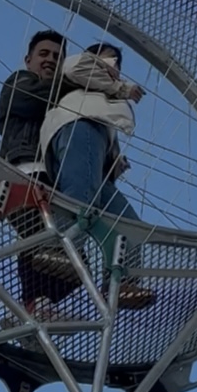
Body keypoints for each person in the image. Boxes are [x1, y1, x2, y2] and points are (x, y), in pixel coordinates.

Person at [40, 42, 152, 307]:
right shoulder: (82, 69)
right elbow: (78, 67)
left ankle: (121, 281)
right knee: (78, 194)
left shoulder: (104, 100)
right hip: (79, 125)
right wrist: (120, 87)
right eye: (107, 61)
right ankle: (62, 249)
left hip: (94, 148)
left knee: (128, 225)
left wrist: (115, 162)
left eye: (116, 65)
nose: (113, 69)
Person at [0, 30, 80, 318]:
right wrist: (72, 84)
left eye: (57, 57)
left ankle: (36, 304)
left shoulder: (59, 99)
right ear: (28, 59)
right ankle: (33, 302)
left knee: (76, 266)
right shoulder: (20, 82)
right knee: (39, 237)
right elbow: (31, 100)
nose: (50, 60)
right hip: (21, 169)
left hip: (49, 178)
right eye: (44, 54)